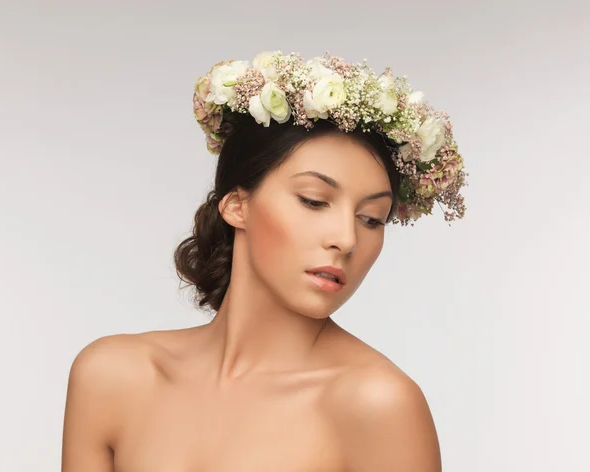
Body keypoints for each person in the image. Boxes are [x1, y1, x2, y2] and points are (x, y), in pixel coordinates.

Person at [61, 51, 467, 471]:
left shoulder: (378, 404)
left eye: (370, 219)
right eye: (313, 201)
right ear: (236, 205)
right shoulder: (111, 376)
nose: (347, 240)